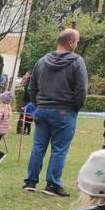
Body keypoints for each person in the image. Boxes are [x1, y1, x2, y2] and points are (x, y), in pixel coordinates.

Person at [23, 28, 88, 197]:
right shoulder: (77, 62)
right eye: (77, 42)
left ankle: (30, 181)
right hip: (64, 111)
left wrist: (38, 104)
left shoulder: (41, 61)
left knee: (38, 147)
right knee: (59, 149)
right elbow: (81, 89)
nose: (77, 44)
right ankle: (52, 184)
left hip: (42, 110)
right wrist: (76, 106)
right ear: (71, 43)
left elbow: (31, 86)